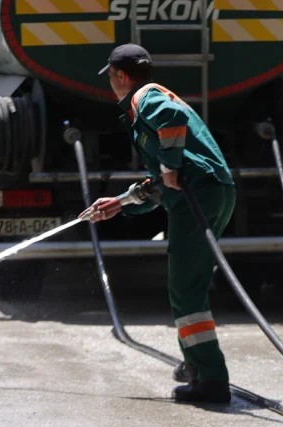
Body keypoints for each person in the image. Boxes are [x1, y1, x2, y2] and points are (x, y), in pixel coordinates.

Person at [82, 44, 236, 404]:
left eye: (111, 78)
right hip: (211, 191)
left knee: (186, 290)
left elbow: (172, 121)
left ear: (121, 76)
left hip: (200, 194)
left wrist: (168, 166)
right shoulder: (150, 98)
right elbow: (163, 184)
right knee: (189, 286)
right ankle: (197, 365)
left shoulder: (145, 97)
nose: (111, 84)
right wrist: (120, 203)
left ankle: (212, 379)